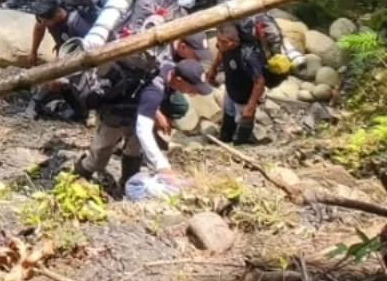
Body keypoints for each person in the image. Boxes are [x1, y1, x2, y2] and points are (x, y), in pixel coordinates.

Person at [80, 53, 207, 195]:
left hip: (136, 111)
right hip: (116, 113)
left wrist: (156, 113)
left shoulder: (168, 68)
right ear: (178, 79)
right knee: (98, 158)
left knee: (134, 152)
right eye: (192, 89)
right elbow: (144, 130)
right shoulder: (155, 89)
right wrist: (163, 167)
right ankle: (77, 178)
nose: (193, 93)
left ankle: (127, 188)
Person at [207, 14, 290, 144]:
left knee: (244, 120)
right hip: (231, 90)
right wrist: (213, 69)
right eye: (219, 40)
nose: (219, 44)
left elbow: (260, 81)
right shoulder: (225, 46)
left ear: (234, 42)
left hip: (244, 97)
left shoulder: (248, 56)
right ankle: (225, 138)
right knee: (228, 115)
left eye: (223, 42)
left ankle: (241, 144)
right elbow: (221, 53)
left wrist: (250, 106)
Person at [28, 0, 101, 64]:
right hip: (66, 44)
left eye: (45, 22)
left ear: (57, 15)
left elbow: (90, 47)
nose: (42, 23)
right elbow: (39, 27)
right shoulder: (47, 6)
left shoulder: (75, 21)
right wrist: (33, 52)